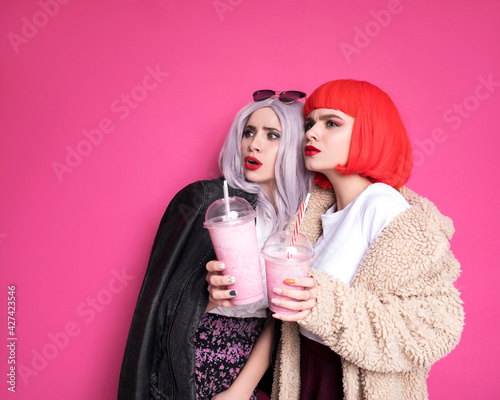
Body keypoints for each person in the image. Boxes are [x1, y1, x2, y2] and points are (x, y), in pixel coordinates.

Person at [264, 79, 464, 399]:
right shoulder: (314, 212)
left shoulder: (382, 207)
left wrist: (325, 303)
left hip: (352, 384)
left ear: (369, 132)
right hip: (304, 371)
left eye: (332, 123)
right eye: (310, 123)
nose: (312, 133)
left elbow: (432, 328)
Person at [118, 91, 312, 400]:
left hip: (245, 367)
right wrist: (207, 296)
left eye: (272, 135)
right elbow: (163, 307)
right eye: (248, 132)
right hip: (187, 360)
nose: (253, 144)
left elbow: (278, 324)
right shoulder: (207, 202)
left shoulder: (299, 224)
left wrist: (240, 391)